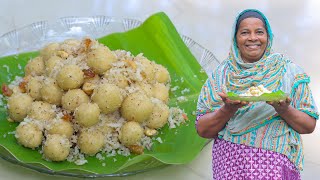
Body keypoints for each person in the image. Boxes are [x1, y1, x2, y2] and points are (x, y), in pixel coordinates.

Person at [196, 9, 318, 179]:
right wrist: (227, 110)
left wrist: (283, 109)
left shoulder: (289, 72)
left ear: (268, 37)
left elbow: (309, 125)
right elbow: (202, 129)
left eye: (259, 32)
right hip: (231, 167)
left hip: (275, 168)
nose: (252, 38)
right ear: (235, 39)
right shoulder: (220, 76)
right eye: (245, 32)